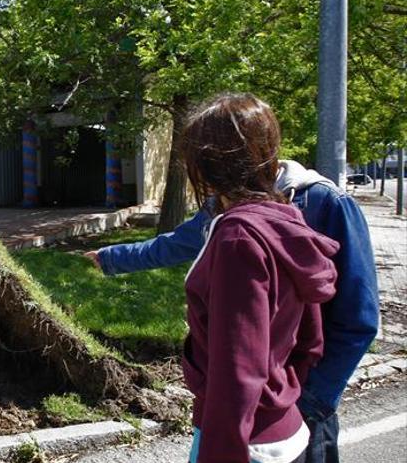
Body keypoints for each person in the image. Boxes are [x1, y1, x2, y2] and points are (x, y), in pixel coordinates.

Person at [86, 122, 379, 463]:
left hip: (292, 406)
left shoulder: (321, 204)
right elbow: (178, 242)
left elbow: (355, 319)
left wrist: (310, 397)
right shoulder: (224, 205)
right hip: (265, 409)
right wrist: (110, 258)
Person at [146, 93, 340, 463]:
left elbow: (238, 370)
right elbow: (311, 340)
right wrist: (279, 394)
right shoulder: (286, 220)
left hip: (243, 442)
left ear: (204, 165)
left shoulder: (238, 237)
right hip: (286, 429)